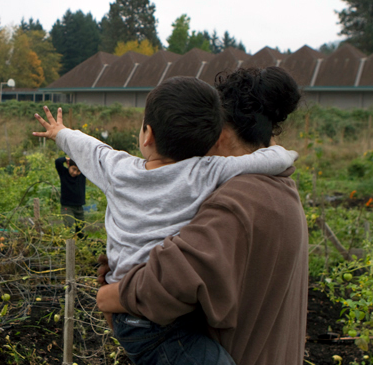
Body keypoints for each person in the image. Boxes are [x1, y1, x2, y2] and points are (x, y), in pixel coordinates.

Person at [32, 75, 298, 365]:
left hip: (133, 312)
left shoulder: (119, 171)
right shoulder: (208, 172)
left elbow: (89, 148)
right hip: (157, 318)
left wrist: (60, 132)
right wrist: (284, 154)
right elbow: (262, 161)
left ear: (147, 135)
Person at [55, 156, 86, 239]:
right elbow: (58, 161)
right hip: (67, 207)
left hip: (79, 208)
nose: (75, 173)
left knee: (80, 230)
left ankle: (80, 248)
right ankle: (69, 248)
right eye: (73, 169)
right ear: (69, 165)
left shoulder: (82, 175)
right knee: (69, 227)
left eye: (78, 171)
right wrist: (66, 159)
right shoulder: (63, 173)